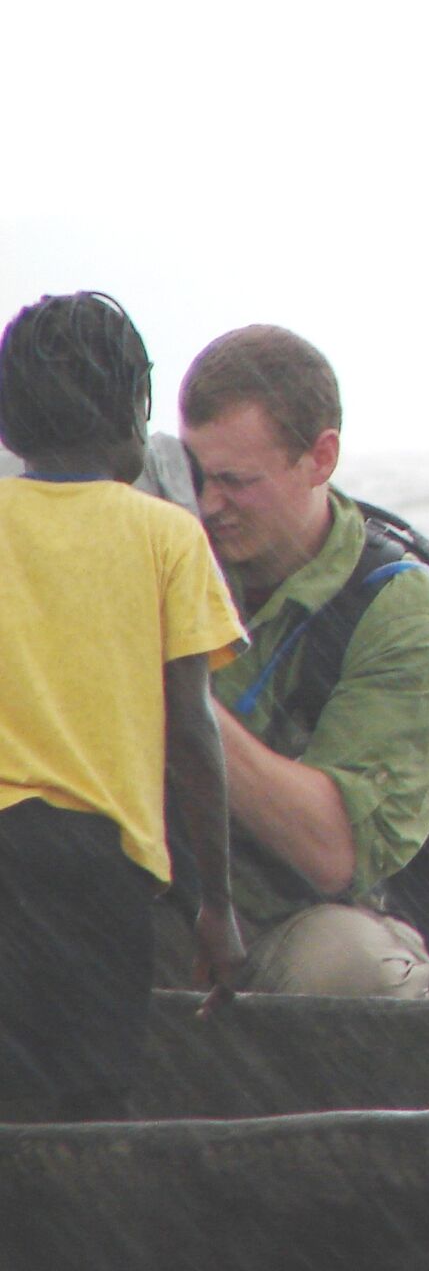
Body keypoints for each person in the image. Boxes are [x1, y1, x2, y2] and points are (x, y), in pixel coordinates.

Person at [0, 293, 244, 1121]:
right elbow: (193, 737)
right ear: (131, 414)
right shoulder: (167, 536)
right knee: (91, 1098)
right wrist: (217, 905)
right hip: (99, 866)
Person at [161, 325, 429, 998]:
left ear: (320, 458)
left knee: (353, 972)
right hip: (149, 897)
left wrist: (171, 686)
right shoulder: (160, 548)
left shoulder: (399, 609)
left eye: (237, 482)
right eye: (196, 475)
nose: (208, 505)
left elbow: (332, 851)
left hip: (294, 923)